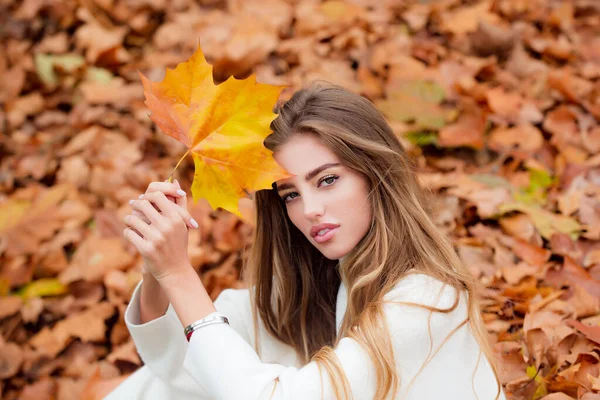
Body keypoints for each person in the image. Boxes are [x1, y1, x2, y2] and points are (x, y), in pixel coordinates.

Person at [106, 81, 507, 400]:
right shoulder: (326, 280)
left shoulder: (425, 299)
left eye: (328, 180)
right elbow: (187, 361)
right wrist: (157, 266)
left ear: (377, 172)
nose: (309, 209)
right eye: (291, 194)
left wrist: (180, 274)